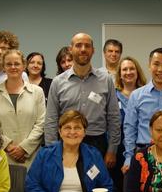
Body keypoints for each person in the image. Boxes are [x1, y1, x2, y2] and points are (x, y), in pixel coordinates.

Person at [45, 32, 120, 170]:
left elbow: (114, 117)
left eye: (87, 46)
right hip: (67, 143)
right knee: (68, 181)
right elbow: (51, 119)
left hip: (97, 143)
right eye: (78, 45)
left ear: (93, 50)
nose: (83, 49)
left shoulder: (106, 80)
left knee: (96, 181)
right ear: (71, 49)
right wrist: (51, 151)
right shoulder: (58, 82)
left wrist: (112, 150)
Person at [27, 110, 114, 192]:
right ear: (60, 132)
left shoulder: (94, 155)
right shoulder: (45, 154)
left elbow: (107, 186)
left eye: (77, 128)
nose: (72, 132)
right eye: (67, 128)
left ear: (84, 132)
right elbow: (32, 185)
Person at [0, 49, 46, 168]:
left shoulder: (37, 92)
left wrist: (24, 148)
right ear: (3, 67)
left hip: (31, 156)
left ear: (24, 66)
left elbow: (41, 123)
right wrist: (8, 146)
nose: (13, 67)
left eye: (17, 64)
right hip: (0, 155)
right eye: (9, 64)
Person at [113, 56, 147, 192]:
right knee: (120, 186)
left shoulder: (145, 94)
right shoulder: (113, 96)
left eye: (132, 69)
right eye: (124, 69)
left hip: (140, 147)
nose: (128, 72)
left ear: (137, 72)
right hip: (117, 148)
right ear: (120, 74)